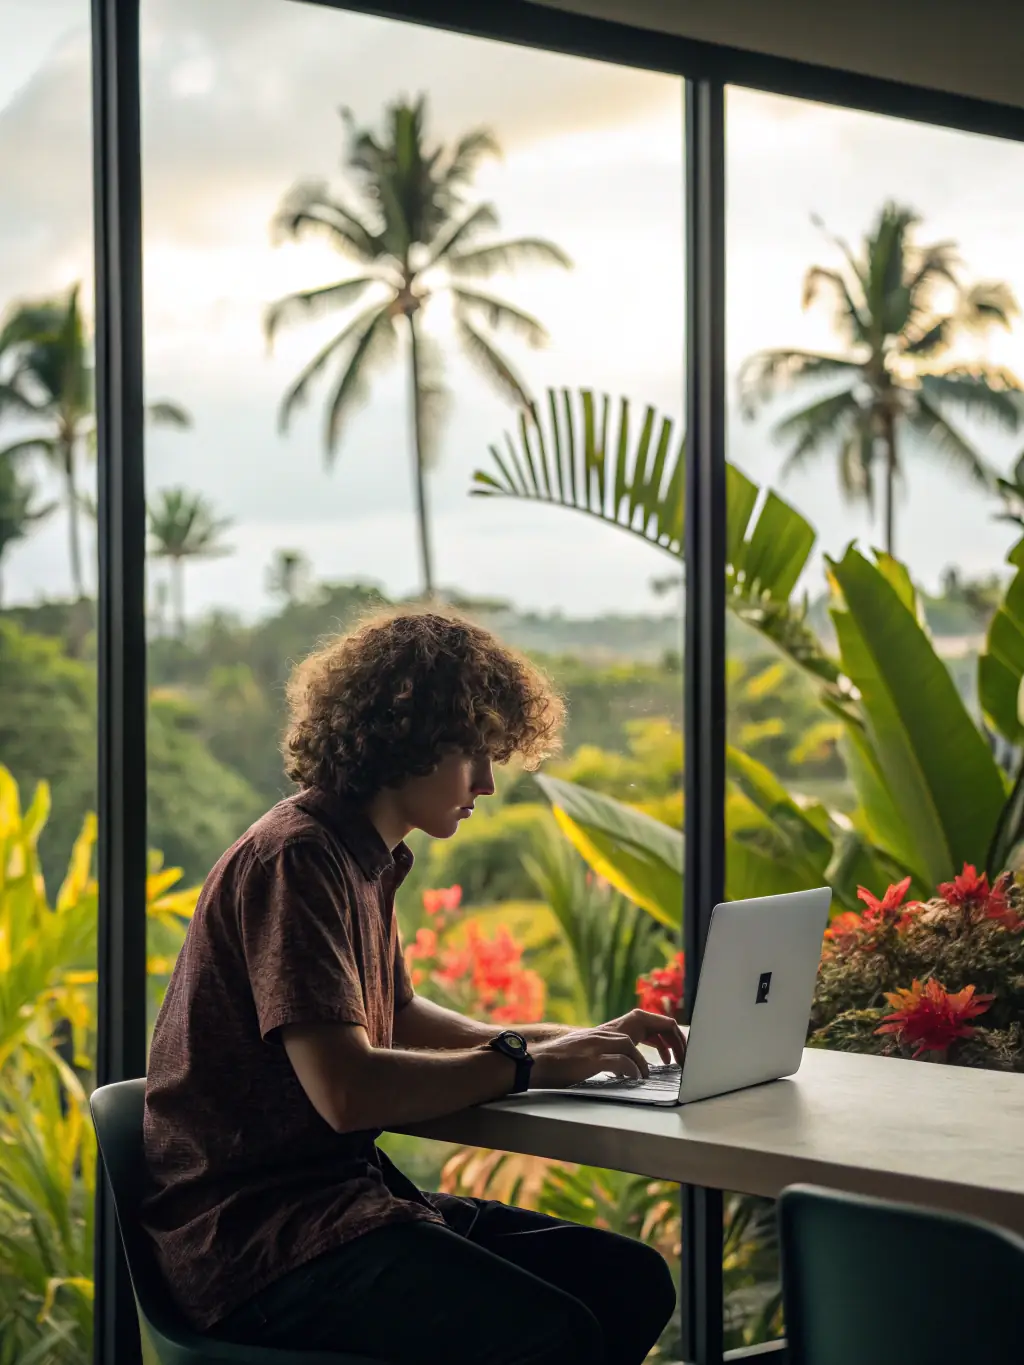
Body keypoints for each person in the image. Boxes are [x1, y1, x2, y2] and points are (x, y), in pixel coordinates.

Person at [143, 610, 683, 1365]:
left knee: (630, 1281)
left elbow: (396, 1014)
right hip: (258, 1243)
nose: (489, 784)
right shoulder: (297, 860)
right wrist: (525, 1062)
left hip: (339, 1206)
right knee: (554, 1332)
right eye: (475, 755)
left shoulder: (362, 855)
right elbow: (347, 1090)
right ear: (409, 738)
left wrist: (572, 1040)